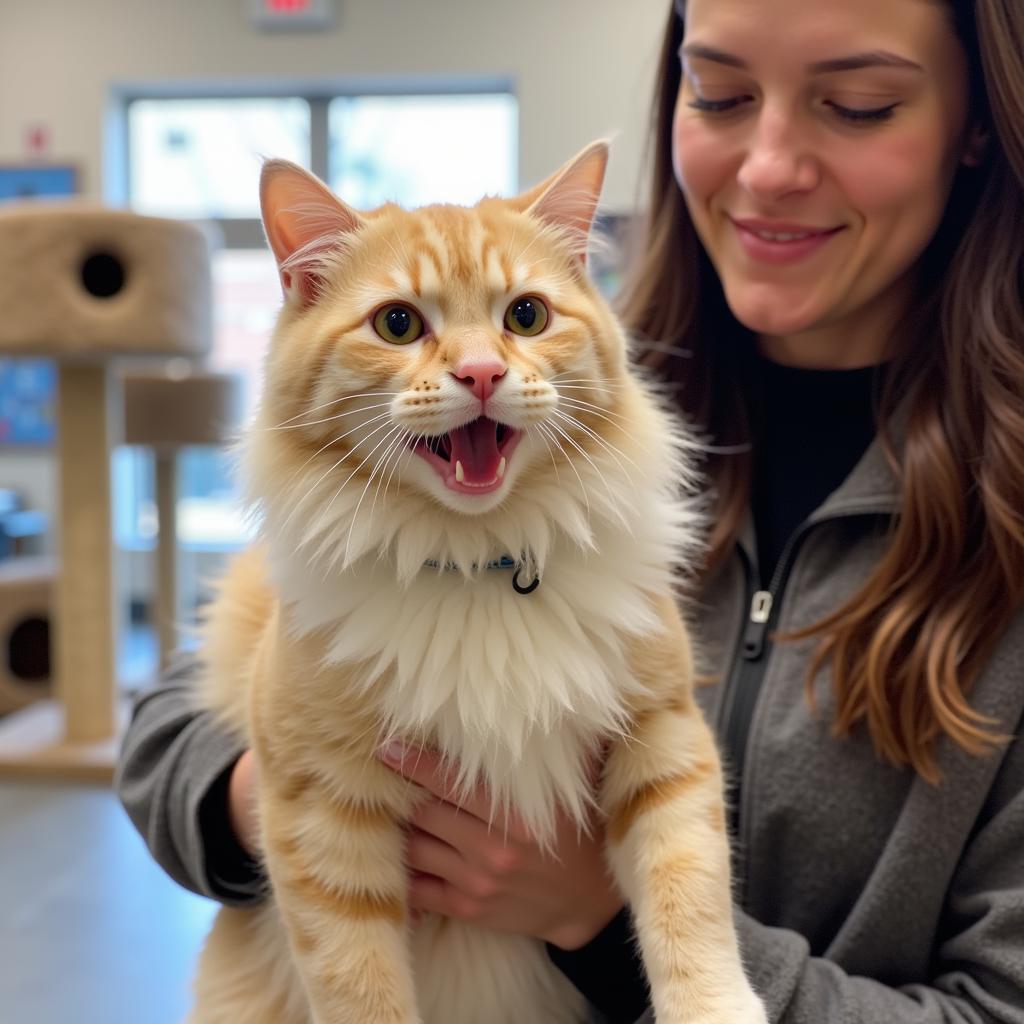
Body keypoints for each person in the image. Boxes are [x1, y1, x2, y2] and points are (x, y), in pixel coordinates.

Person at [116, 0, 1024, 1020]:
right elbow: (162, 728)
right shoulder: (551, 380)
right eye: (719, 92)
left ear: (979, 120)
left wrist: (599, 921)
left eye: (857, 104)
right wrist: (276, 798)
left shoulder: (567, 406)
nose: (769, 165)